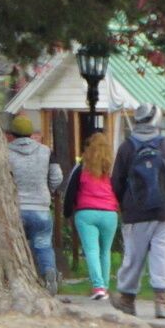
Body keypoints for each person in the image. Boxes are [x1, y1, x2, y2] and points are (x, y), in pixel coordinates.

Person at [111, 109, 165, 319]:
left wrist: (124, 204)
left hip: (136, 212)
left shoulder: (126, 147)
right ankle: (162, 302)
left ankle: (127, 299)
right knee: (163, 254)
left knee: (134, 256)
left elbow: (116, 182)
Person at [5, 115, 59, 285]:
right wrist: (49, 190)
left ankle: (19, 281)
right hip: (41, 207)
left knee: (15, 247)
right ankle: (49, 272)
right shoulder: (46, 151)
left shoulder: (4, 152)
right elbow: (57, 176)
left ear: (11, 134)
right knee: (43, 244)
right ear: (31, 133)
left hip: (15, 208)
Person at [69, 125, 121, 298]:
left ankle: (98, 287)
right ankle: (104, 286)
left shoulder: (82, 167)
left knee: (91, 251)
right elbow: (119, 190)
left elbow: (71, 190)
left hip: (86, 213)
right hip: (109, 214)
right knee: (105, 251)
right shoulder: (112, 169)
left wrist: (68, 211)